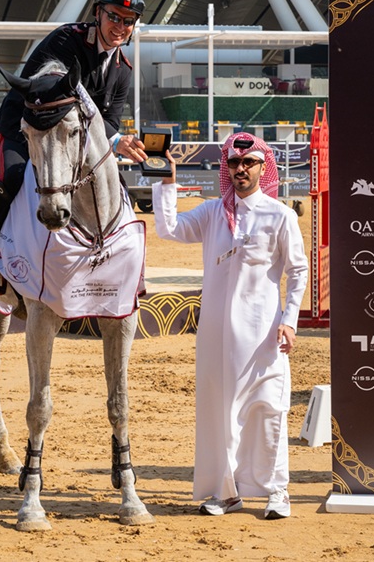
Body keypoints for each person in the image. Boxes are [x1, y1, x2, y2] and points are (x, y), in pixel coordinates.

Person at [152, 132, 308, 520]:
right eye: (234, 163)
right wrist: (167, 181)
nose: (241, 169)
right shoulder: (211, 213)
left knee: (268, 409)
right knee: (220, 413)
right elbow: (169, 229)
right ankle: (227, 492)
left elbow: (298, 271)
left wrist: (289, 321)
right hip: (215, 336)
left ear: (262, 167)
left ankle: (277, 491)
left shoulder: (280, 215)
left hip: (263, 335)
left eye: (249, 162)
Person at [0, 0, 149, 294]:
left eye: (128, 21)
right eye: (114, 17)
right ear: (98, 13)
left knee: (116, 188)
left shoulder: (124, 69)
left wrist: (118, 140)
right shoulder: (67, 39)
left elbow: (110, 122)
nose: (120, 26)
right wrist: (114, 140)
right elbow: (48, 93)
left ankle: (120, 269)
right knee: (11, 177)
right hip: (27, 127)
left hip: (71, 140)